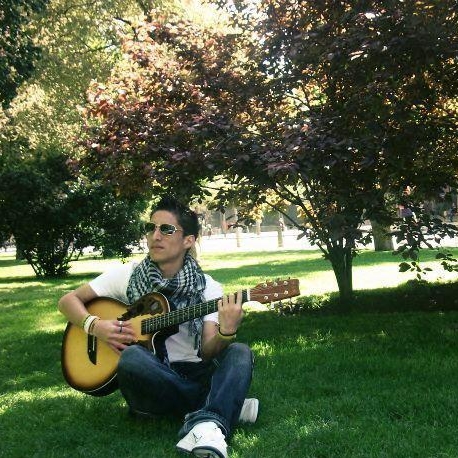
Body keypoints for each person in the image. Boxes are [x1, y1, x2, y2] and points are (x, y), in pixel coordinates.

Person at [58, 196, 257, 458]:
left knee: (240, 351)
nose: (155, 236)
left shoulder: (208, 287)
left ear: (188, 240)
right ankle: (219, 405)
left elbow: (209, 352)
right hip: (147, 380)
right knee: (132, 357)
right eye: (150, 228)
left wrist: (226, 332)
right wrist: (95, 325)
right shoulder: (129, 274)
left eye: (166, 229)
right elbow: (67, 301)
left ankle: (207, 421)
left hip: (192, 371)